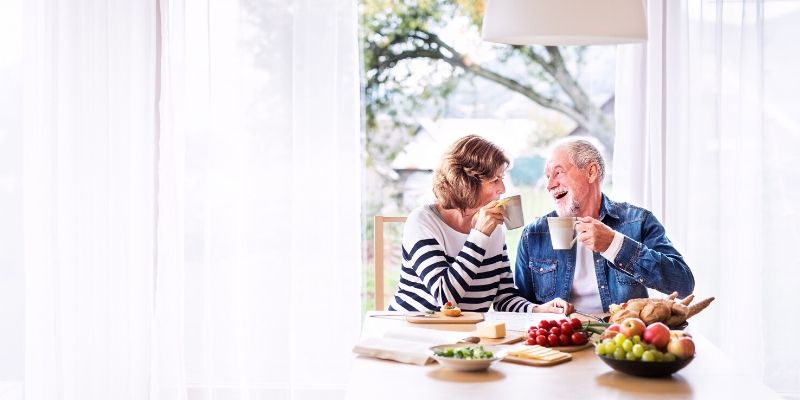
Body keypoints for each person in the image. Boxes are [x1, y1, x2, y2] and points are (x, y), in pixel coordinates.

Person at [388, 135, 573, 314]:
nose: (503, 188)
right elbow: (446, 298)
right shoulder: (423, 221)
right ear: (466, 183)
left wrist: (538, 309)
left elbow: (504, 297)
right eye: (495, 180)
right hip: (412, 333)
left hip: (465, 337)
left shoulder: (493, 229)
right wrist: (479, 236)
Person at [515, 138, 694, 313]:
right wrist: (538, 310)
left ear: (591, 172)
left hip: (621, 336)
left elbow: (684, 284)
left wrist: (615, 246)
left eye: (558, 173)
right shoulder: (534, 234)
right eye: (547, 177)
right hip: (560, 338)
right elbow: (519, 305)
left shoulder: (638, 221)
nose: (549, 185)